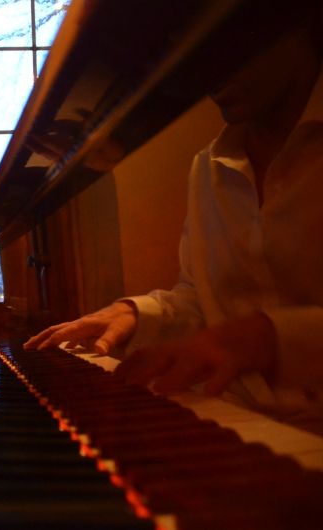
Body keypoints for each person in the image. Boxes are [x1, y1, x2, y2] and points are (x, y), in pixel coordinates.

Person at [25, 15, 323, 433]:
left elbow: (236, 331)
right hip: (236, 417)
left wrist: (266, 338)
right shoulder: (208, 166)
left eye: (225, 38)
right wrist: (134, 313)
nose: (208, 71)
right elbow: (202, 299)